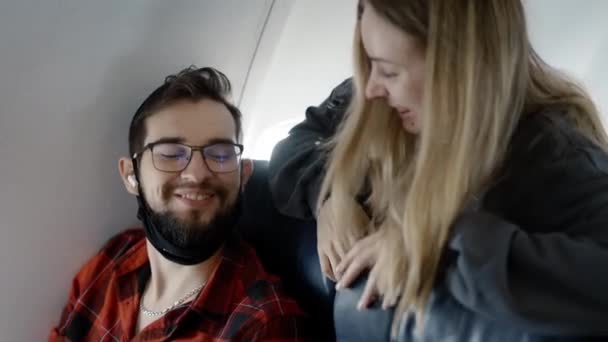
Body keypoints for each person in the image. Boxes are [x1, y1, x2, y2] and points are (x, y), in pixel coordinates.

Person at [270, 0, 608, 340]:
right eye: (371, 64)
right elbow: (295, 144)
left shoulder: (555, 156)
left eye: (389, 70)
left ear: (459, 67)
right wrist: (331, 194)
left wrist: (436, 239)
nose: (371, 88)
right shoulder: (382, 100)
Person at [49, 67, 311, 341]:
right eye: (171, 153)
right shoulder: (112, 261)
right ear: (131, 175)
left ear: (243, 176)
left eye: (220, 155)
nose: (197, 174)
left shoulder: (263, 324)